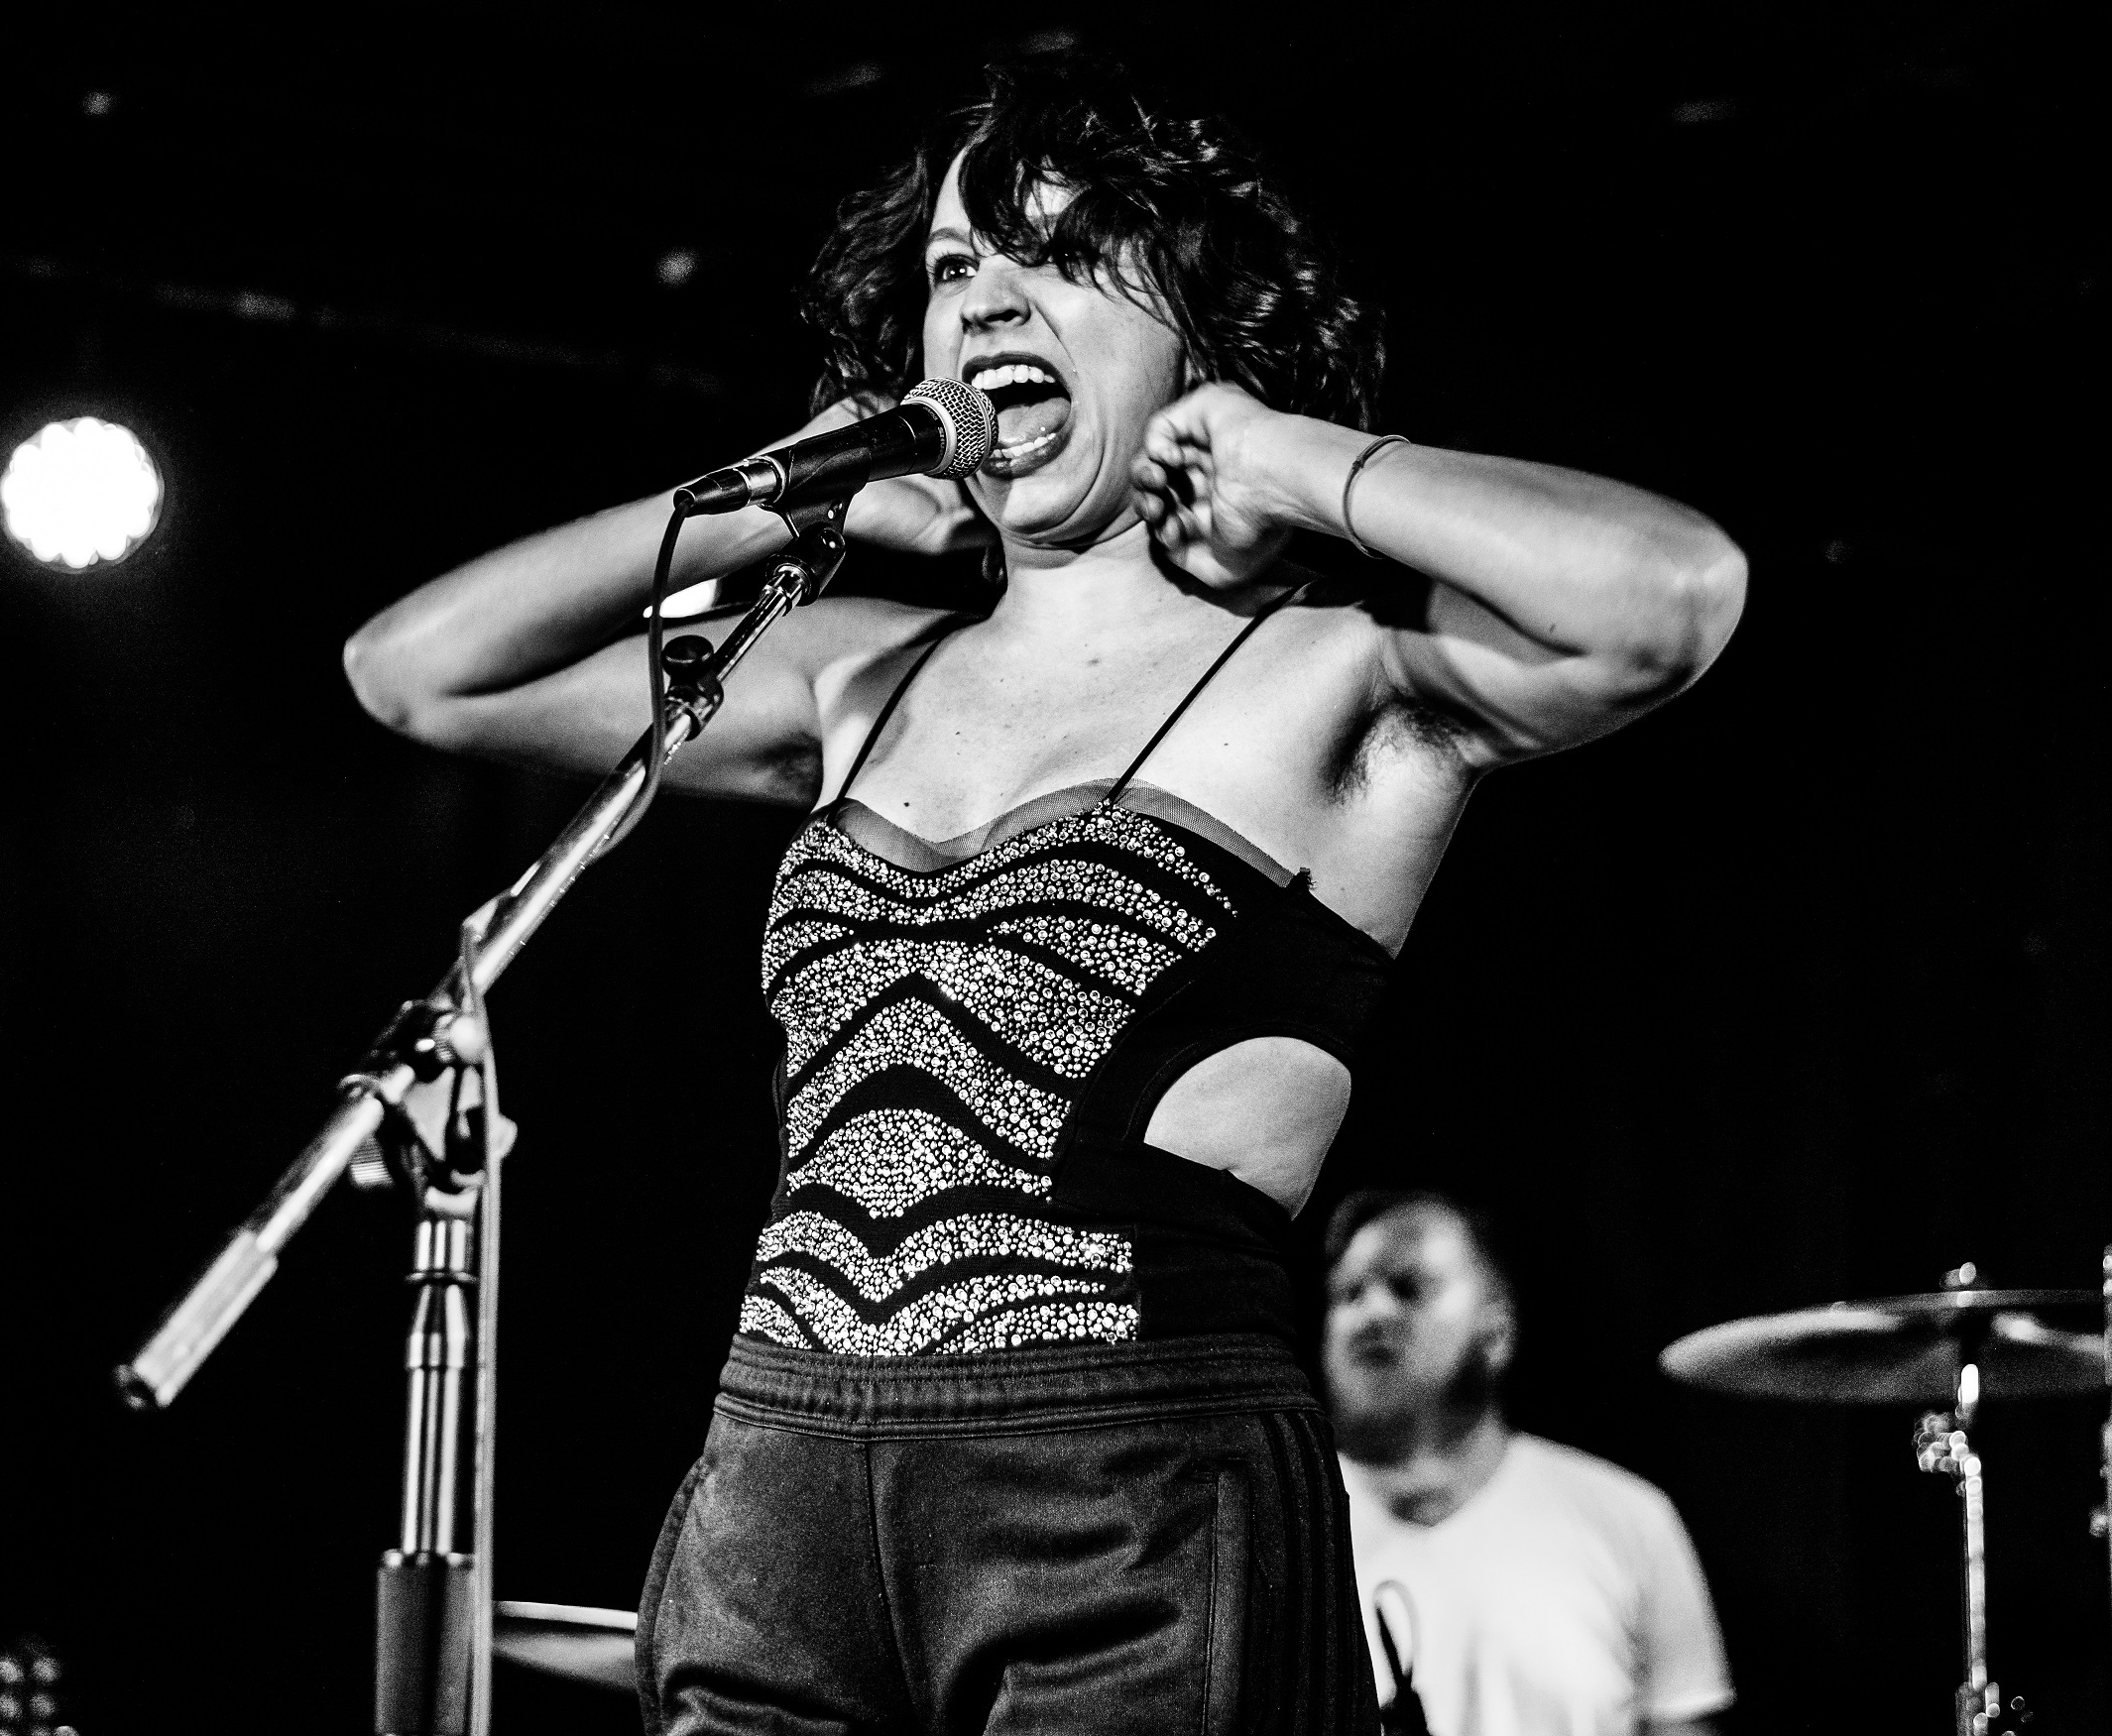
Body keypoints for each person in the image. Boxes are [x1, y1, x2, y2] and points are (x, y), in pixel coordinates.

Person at [344, 54, 1746, 1736]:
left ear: (1201, 331)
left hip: (1124, 1482)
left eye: (1065, 256)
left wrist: (1287, 455)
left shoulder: (1342, 672)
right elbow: (420, 673)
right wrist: (788, 489)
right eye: (954, 268)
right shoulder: (854, 672)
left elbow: (1668, 597)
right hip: (776, 1482)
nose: (987, 301)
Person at [1323, 1190, 1735, 1736]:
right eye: (1348, 1293)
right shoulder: (1278, 1527)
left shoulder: (1628, 1518)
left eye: (1408, 1287)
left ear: (1495, 1328)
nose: (1372, 1313)